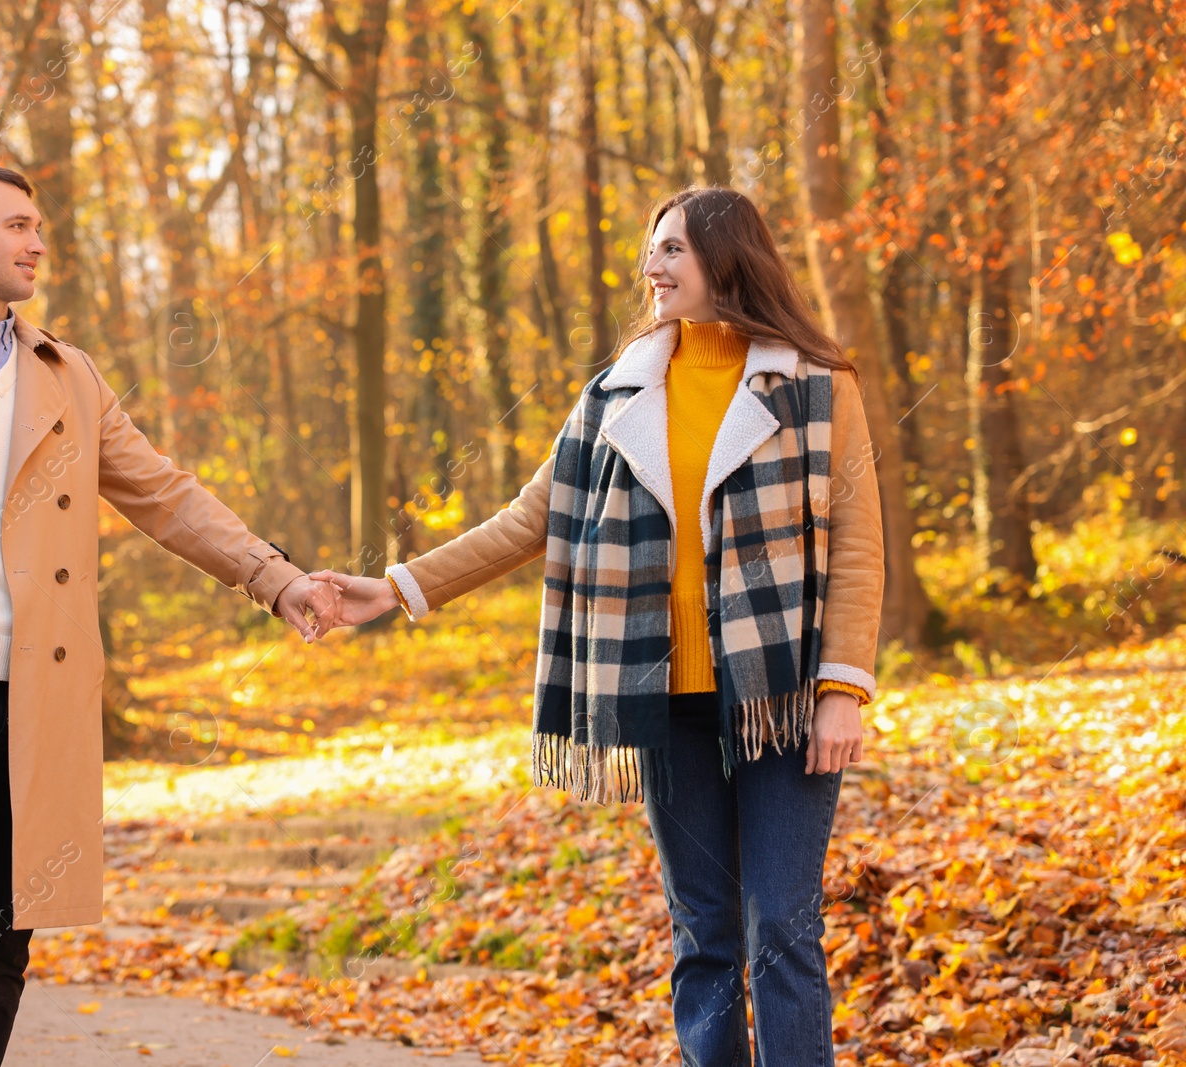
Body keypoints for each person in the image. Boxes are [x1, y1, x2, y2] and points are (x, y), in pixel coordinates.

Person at [0, 160, 339, 1067]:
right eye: (19, 225)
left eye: (38, 226)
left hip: (37, 700)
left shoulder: (67, 375)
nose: (39, 242)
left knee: (1, 950)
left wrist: (277, 579)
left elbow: (164, 494)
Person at [313, 185, 884, 1065]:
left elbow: (857, 545)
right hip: (662, 698)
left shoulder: (815, 384)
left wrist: (843, 688)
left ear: (727, 259)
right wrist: (394, 588)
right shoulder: (616, 394)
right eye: (652, 250)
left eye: (672, 250)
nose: (651, 267)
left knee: (782, 924)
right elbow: (527, 519)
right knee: (703, 931)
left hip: (782, 695)